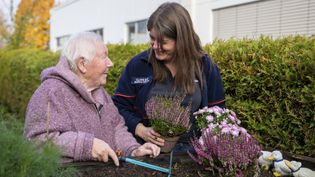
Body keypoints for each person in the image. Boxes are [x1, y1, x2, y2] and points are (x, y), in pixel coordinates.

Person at [24, 32, 160, 166]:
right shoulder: (50, 92)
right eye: (104, 57)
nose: (110, 63)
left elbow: (116, 128)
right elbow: (38, 142)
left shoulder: (101, 93)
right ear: (82, 64)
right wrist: (88, 146)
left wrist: (134, 150)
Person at [112, 2, 225, 152]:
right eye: (152, 38)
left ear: (182, 40)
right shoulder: (138, 65)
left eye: (163, 42)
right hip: (148, 151)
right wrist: (140, 129)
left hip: (192, 155)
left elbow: (218, 112)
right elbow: (118, 107)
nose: (155, 46)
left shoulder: (204, 65)